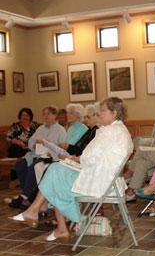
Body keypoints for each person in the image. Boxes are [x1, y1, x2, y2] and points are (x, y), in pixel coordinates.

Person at [11, 97, 133, 242]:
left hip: (101, 181)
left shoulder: (110, 132)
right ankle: (49, 220)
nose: (98, 114)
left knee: (56, 172)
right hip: (105, 176)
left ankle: (40, 214)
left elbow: (91, 158)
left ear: (114, 113)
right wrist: (77, 159)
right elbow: (96, 157)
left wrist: (78, 159)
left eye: (102, 110)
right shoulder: (117, 130)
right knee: (56, 171)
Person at [9, 106, 66, 209]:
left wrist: (48, 145)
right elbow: (31, 141)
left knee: (34, 167)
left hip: (50, 157)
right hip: (35, 154)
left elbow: (61, 147)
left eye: (48, 114)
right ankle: (27, 194)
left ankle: (26, 196)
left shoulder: (60, 130)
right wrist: (34, 144)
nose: (45, 116)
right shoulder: (40, 128)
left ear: (55, 115)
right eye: (44, 114)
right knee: (20, 165)